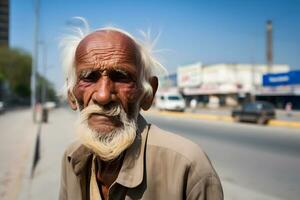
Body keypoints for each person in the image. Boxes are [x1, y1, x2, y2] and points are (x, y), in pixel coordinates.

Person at [59, 19, 223, 200]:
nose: (104, 96)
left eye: (121, 77)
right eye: (89, 77)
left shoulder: (189, 167)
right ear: (71, 95)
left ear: (148, 94)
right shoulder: (72, 158)